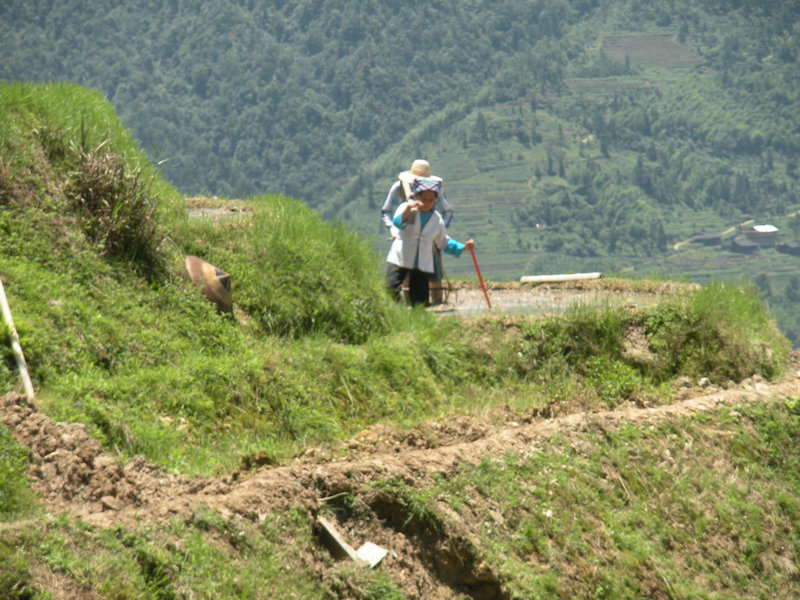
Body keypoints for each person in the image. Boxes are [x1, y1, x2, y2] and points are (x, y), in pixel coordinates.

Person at [385, 177, 473, 306]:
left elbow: (443, 242)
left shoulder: (437, 220)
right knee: (390, 289)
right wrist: (408, 209)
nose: (427, 203)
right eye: (424, 199)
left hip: (421, 265)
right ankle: (398, 312)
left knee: (420, 301)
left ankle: (417, 321)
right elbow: (398, 223)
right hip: (400, 259)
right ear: (417, 196)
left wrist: (464, 248)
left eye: (431, 200)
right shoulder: (406, 208)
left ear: (435, 200)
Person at [381, 159, 453, 303]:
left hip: (428, 237)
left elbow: (447, 212)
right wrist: (394, 231)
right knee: (399, 276)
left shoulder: (435, 191)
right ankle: (404, 308)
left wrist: (435, 232)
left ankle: (434, 304)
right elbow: (387, 212)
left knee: (429, 277)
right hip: (404, 237)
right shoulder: (398, 188)